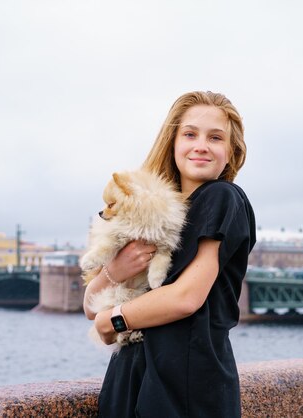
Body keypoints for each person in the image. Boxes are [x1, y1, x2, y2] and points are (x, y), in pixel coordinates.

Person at [83, 91, 256, 417]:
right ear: (172, 142)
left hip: (185, 387)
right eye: (190, 134)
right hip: (133, 379)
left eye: (215, 137)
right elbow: (92, 307)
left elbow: (186, 297)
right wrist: (114, 270)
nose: (201, 145)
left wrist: (116, 318)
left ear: (231, 153)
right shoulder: (151, 212)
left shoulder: (222, 197)